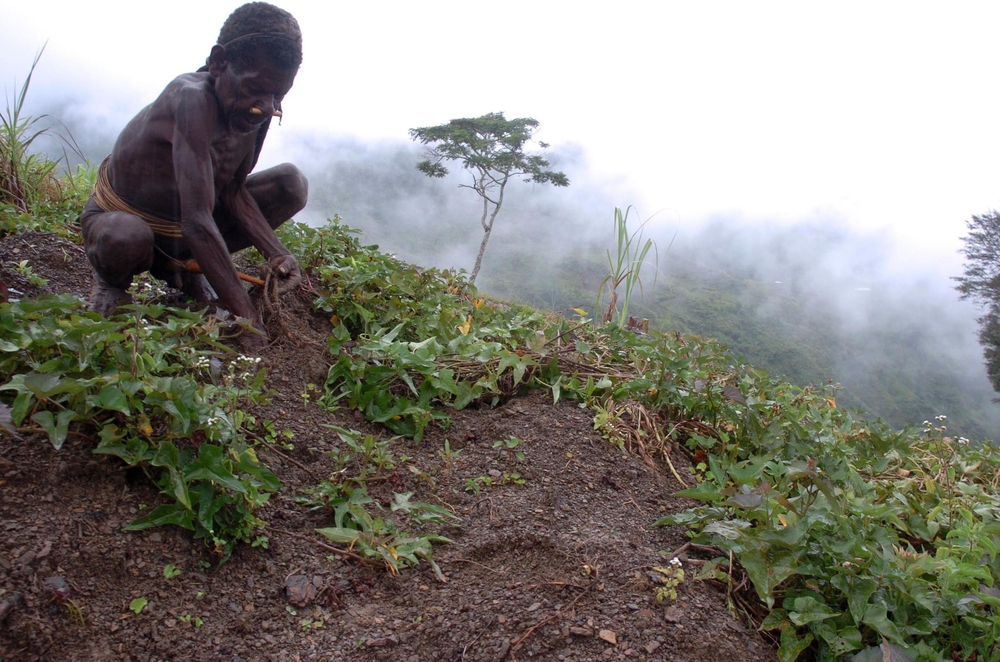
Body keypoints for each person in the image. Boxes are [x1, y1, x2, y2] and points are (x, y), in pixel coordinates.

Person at [80, 2, 307, 348]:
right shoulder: (191, 100)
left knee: (291, 184)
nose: (267, 106)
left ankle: (184, 270)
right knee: (124, 235)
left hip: (183, 232)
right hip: (128, 223)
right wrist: (248, 319)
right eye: (255, 89)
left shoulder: (254, 110)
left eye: (278, 94)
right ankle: (111, 281)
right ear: (218, 63)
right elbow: (197, 221)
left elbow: (233, 193)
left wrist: (276, 254)